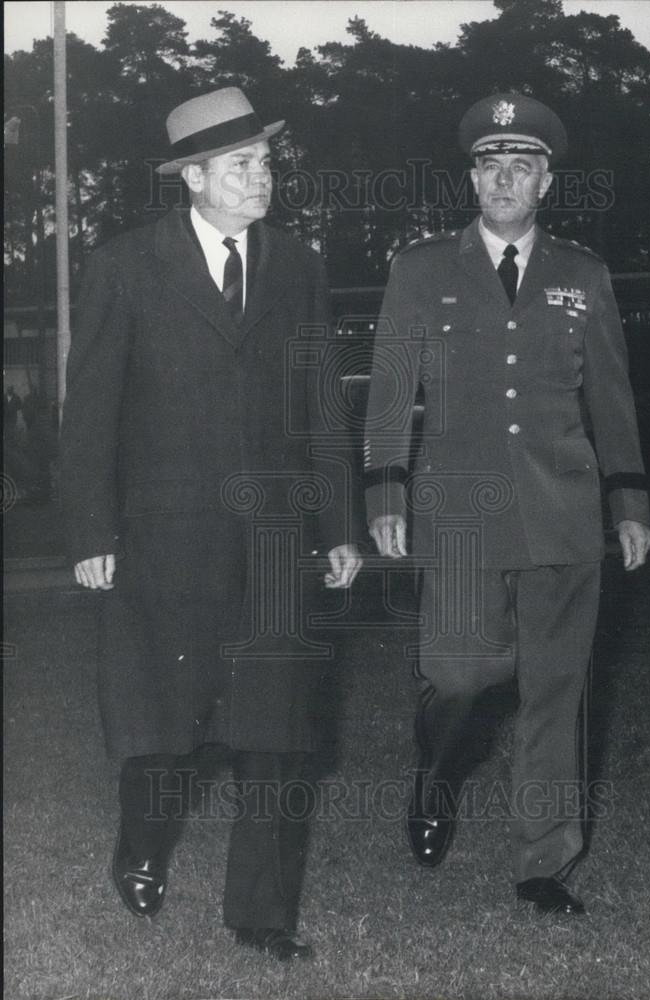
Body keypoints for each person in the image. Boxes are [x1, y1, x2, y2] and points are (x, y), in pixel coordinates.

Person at [60, 87, 362, 959]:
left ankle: (262, 918)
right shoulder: (124, 265)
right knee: (167, 735)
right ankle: (143, 847)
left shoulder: (298, 265)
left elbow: (320, 406)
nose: (260, 176)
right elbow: (91, 415)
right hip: (164, 538)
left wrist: (340, 523)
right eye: (240, 164)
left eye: (265, 161)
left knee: (276, 733)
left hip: (274, 538)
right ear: (192, 177)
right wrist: (91, 535)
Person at [363, 93, 650, 916]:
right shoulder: (421, 270)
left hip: (562, 513)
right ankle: (437, 772)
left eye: (519, 166)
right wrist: (384, 487)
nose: (502, 179)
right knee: (462, 671)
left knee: (557, 687)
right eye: (489, 165)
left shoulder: (583, 275)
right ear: (472, 177)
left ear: (545, 181)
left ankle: (543, 862)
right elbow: (390, 390)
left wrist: (629, 501)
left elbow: (614, 399)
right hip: (455, 510)